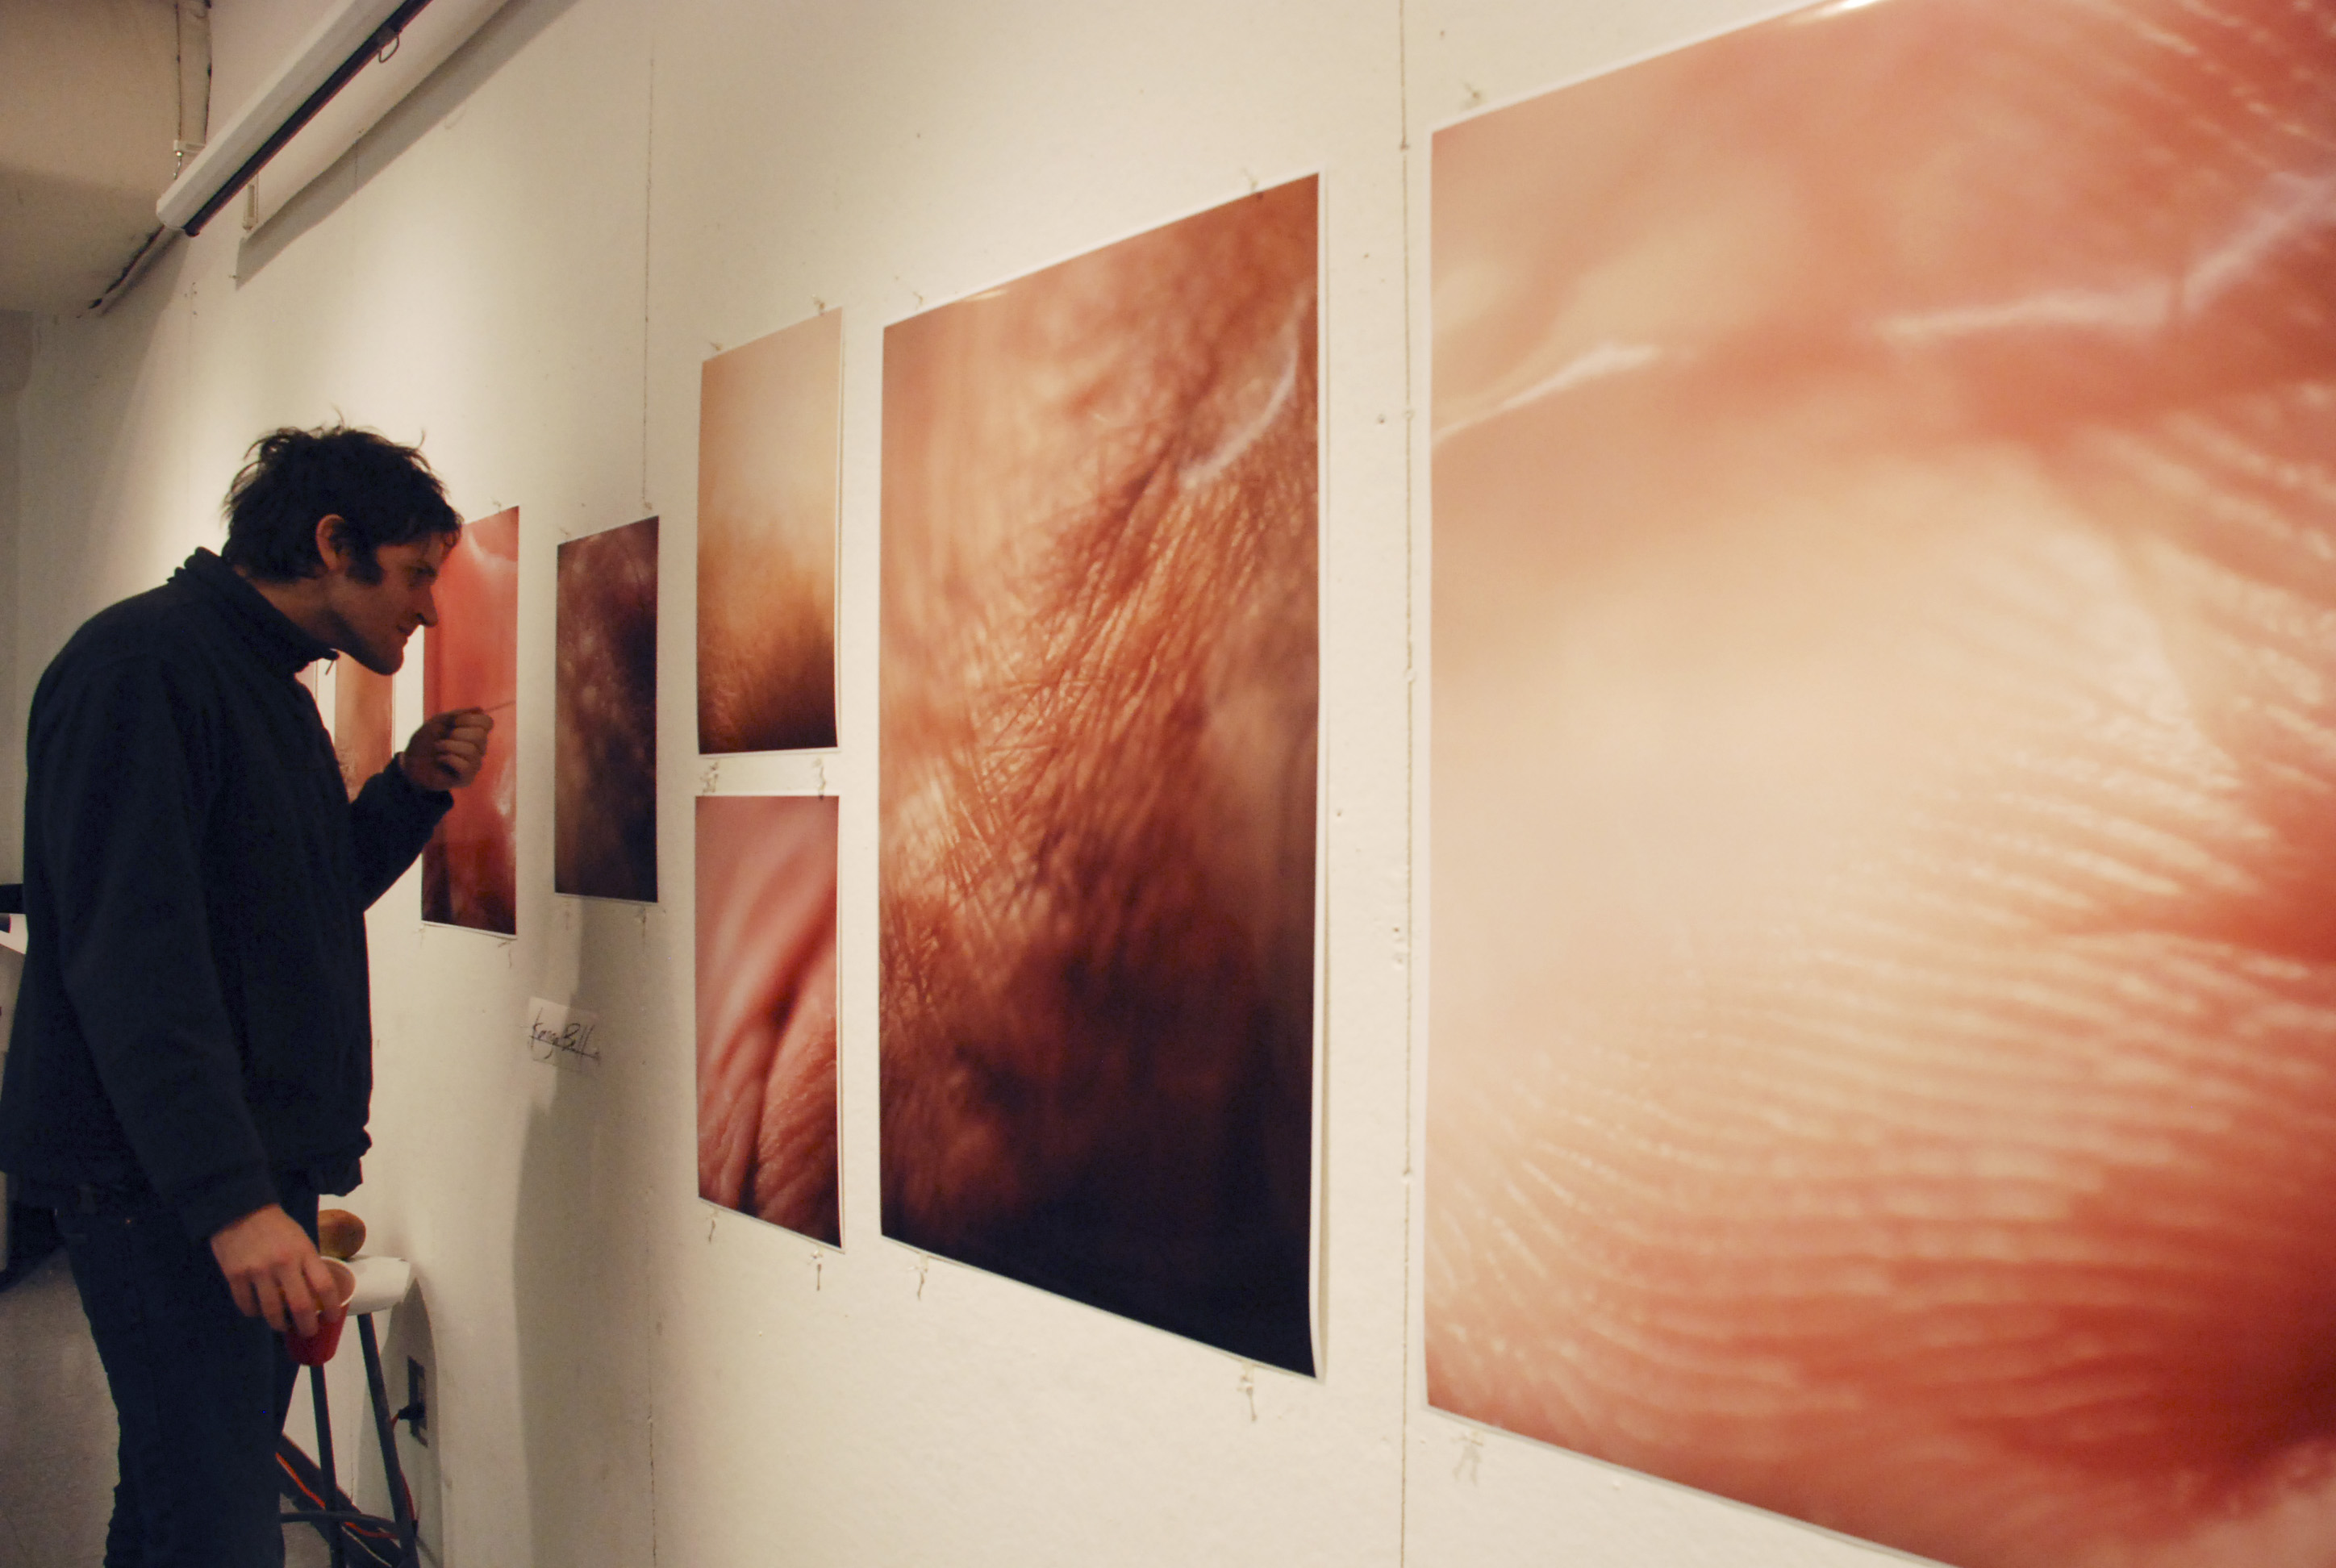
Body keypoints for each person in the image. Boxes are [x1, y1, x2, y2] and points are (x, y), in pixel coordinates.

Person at [0, 424, 494, 1566]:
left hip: (224, 1169)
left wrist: (409, 793)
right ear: (333, 544)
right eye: (416, 573)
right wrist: (231, 1205)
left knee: (187, 1497)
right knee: (216, 1521)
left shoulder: (260, 685)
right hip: (158, 1187)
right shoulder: (143, 670)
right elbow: (136, 966)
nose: (426, 610)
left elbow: (295, 906)